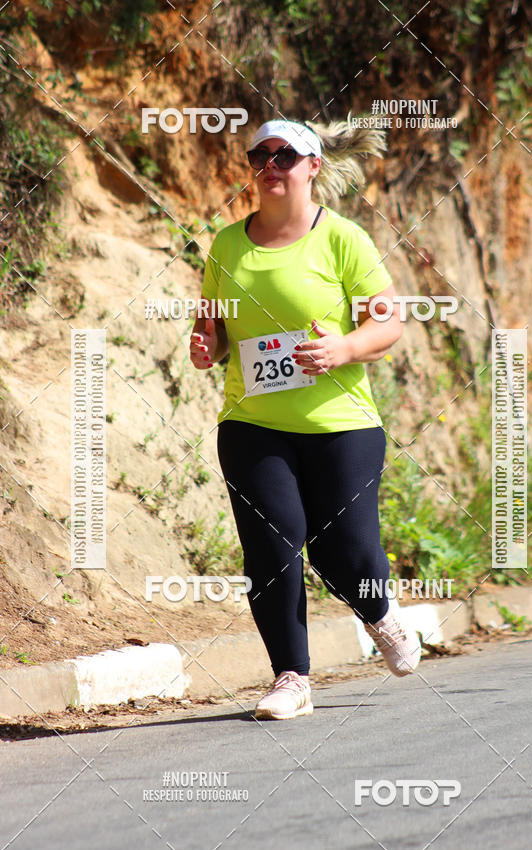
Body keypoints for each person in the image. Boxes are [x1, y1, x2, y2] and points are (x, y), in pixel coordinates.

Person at [189, 118, 421, 721]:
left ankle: (379, 614)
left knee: (344, 551)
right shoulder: (226, 245)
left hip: (340, 422)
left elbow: (388, 323)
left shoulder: (344, 239)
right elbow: (211, 333)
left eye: (284, 156)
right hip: (251, 422)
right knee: (272, 543)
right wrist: (204, 347)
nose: (269, 165)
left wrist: (342, 348)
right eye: (259, 155)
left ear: (313, 166)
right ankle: (291, 677)